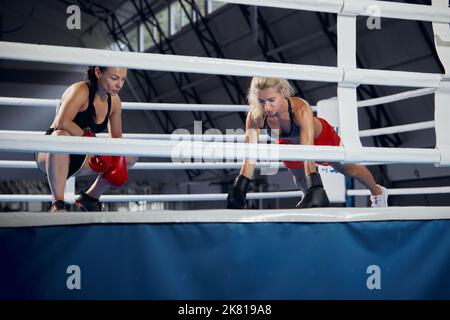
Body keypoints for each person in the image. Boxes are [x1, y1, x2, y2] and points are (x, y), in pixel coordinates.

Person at [227, 77, 388, 209]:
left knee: (347, 169)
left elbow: (308, 151)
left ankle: (377, 192)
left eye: (271, 100)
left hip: (318, 138)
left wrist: (315, 187)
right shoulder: (255, 116)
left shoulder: (300, 108)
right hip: (287, 142)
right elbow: (249, 155)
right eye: (261, 101)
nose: (267, 107)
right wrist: (239, 188)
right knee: (298, 177)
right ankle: (308, 199)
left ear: (283, 92)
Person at [35, 66, 138, 213]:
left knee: (128, 154)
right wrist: (93, 145)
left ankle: (90, 198)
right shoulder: (81, 91)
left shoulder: (114, 101)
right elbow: (62, 122)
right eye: (114, 78)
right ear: (97, 73)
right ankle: (57, 204)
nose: (119, 84)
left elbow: (117, 140)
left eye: (123, 79)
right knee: (61, 137)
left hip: (82, 157)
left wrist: (112, 159)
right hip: (52, 154)